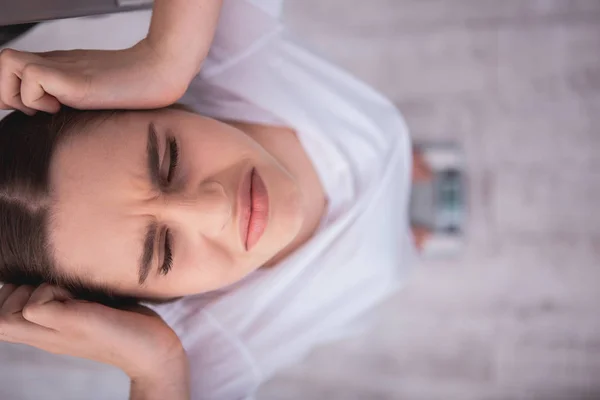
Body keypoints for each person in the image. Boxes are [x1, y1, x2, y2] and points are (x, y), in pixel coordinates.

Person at [0, 0, 417, 398]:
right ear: (139, 304)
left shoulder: (232, 61)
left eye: (171, 161)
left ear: (162, 103)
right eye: (165, 252)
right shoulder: (212, 349)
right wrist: (156, 367)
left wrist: (164, 58)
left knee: (393, 160)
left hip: (388, 155)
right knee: (394, 254)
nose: (216, 208)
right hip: (379, 275)